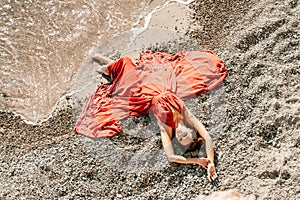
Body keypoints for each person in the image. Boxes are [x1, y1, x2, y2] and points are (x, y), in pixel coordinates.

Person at [74, 50, 227, 182]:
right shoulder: (187, 116)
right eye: (185, 134)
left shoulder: (166, 128)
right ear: (191, 130)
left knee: (126, 63)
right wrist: (211, 162)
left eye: (179, 138)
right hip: (160, 84)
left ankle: (107, 68)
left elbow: (171, 156)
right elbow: (207, 137)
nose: (180, 134)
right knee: (135, 69)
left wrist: (197, 161)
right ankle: (110, 68)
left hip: (142, 95)